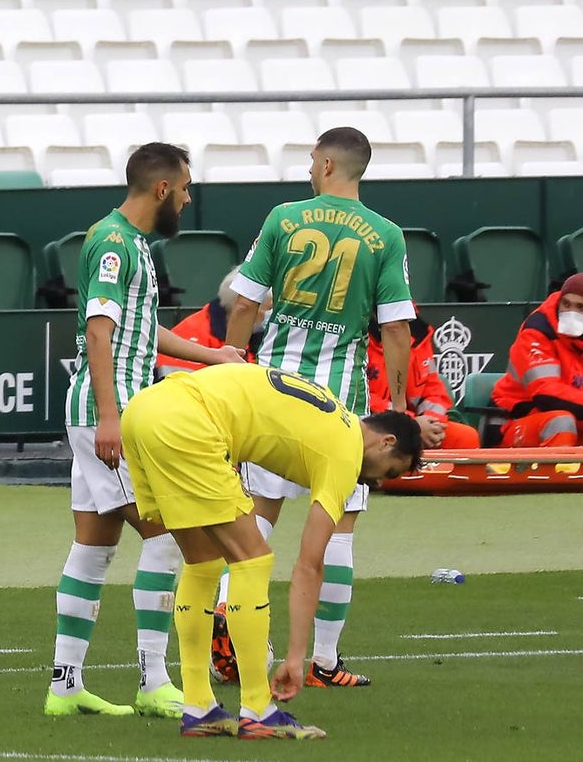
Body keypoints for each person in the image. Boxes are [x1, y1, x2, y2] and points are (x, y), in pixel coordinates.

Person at [218, 126, 444, 688]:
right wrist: (396, 406)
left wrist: (234, 360)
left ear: (323, 164)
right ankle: (322, 660)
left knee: (256, 517)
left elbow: (245, 300)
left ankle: (229, 634)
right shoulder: (386, 235)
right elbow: (395, 328)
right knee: (339, 528)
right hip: (340, 398)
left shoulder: (283, 218)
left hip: (272, 388)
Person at [121, 363, 423, 740]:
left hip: (142, 411)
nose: (378, 481)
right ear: (387, 442)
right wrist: (296, 658)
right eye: (390, 471)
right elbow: (310, 565)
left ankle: (199, 707)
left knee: (202, 563)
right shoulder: (346, 455)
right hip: (187, 422)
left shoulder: (335, 413)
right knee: (253, 559)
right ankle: (258, 709)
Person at [47, 142, 244, 718]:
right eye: (185, 189)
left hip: (109, 410)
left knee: (93, 547)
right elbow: (100, 333)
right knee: (172, 540)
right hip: (118, 415)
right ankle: (154, 679)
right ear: (162, 189)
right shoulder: (114, 245)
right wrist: (111, 416)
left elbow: (140, 331)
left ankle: (64, 687)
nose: (187, 198)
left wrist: (213, 355)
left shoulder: (127, 242)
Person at [490, 272, 583, 447]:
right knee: (561, 422)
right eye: (566, 304)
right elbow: (546, 395)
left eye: (580, 307)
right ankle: (559, 475)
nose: (571, 313)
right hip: (515, 422)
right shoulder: (538, 330)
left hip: (574, 419)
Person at [367, 312, 479, 449]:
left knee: (465, 437)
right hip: (373, 426)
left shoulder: (420, 335)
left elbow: (434, 390)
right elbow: (362, 399)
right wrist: (413, 426)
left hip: (416, 423)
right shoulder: (357, 337)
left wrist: (432, 424)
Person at [155, 264, 271, 376]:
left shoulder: (258, 336)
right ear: (241, 307)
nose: (271, 315)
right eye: (269, 308)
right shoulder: (191, 338)